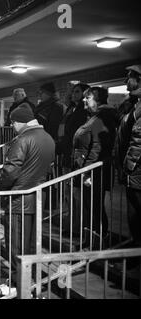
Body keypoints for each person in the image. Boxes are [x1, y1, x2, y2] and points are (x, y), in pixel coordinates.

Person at [0, 104, 55, 290]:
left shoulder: (22, 139)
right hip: (37, 198)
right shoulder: (48, 138)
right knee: (30, 244)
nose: (12, 126)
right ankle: (29, 281)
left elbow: (10, 171)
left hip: (18, 201)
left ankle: (16, 284)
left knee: (15, 246)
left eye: (13, 122)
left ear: (20, 121)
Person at [72, 87, 118, 247]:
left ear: (98, 100)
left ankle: (97, 242)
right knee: (90, 207)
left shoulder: (102, 118)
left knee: (94, 208)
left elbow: (97, 148)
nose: (84, 100)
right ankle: (90, 240)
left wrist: (87, 173)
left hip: (94, 173)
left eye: (88, 97)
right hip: (88, 170)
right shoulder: (95, 117)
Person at [116, 65, 141, 250]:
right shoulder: (134, 104)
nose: (126, 81)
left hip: (137, 168)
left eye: (129, 77)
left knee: (137, 212)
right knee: (133, 213)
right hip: (131, 168)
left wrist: (130, 164)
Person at [57, 82, 90, 170]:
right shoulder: (71, 108)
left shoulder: (84, 110)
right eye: (73, 92)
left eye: (77, 92)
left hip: (74, 147)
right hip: (66, 145)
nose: (73, 94)